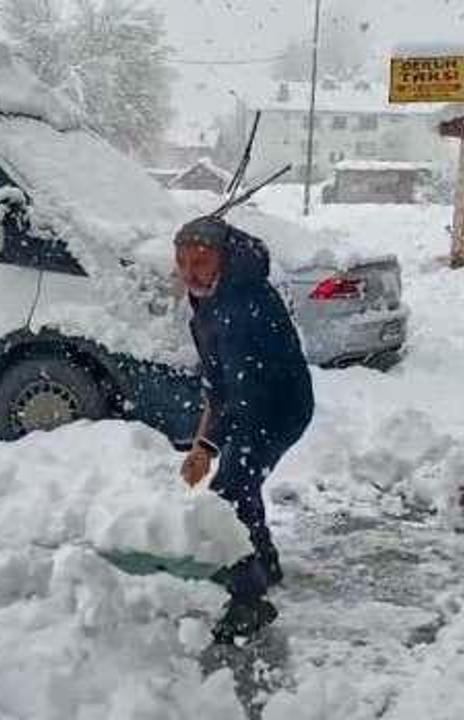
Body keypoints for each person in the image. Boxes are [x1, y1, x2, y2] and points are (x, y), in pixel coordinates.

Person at [174, 214, 314, 643]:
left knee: (230, 494)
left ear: (225, 258)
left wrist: (209, 447)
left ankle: (250, 600)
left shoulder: (241, 309)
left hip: (279, 408)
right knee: (240, 483)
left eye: (200, 261)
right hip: (252, 398)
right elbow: (216, 384)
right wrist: (203, 446)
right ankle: (263, 560)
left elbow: (240, 394)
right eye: (182, 262)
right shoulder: (214, 298)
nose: (189, 273)